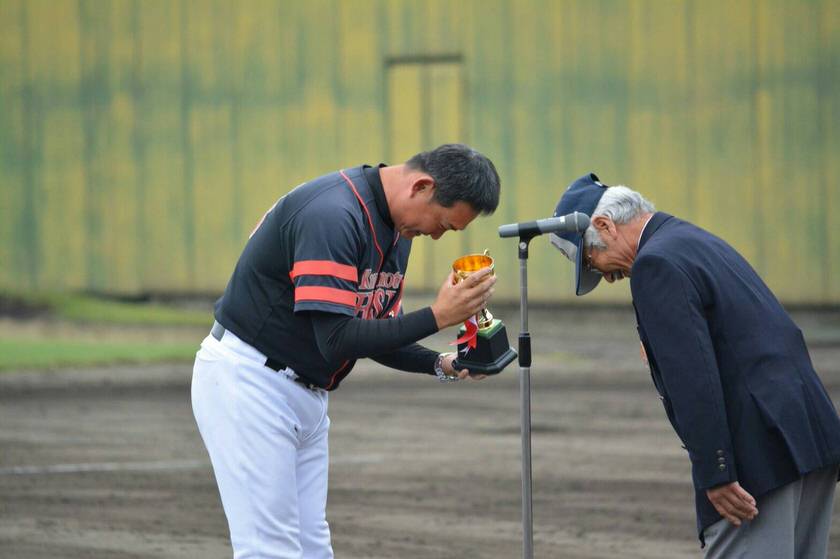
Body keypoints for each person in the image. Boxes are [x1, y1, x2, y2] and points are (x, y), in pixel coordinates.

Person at [191, 144, 501, 558]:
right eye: (442, 224)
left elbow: (376, 331)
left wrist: (442, 363)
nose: (436, 234)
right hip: (251, 385)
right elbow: (336, 338)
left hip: (302, 393)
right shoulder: (333, 216)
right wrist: (438, 315)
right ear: (422, 186)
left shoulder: (396, 227)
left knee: (313, 548)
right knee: (271, 550)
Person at [550, 173, 840, 558]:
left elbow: (693, 379)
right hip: (806, 435)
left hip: (759, 455)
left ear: (605, 226)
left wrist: (716, 471)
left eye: (592, 260)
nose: (605, 275)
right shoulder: (691, 240)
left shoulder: (655, 265)